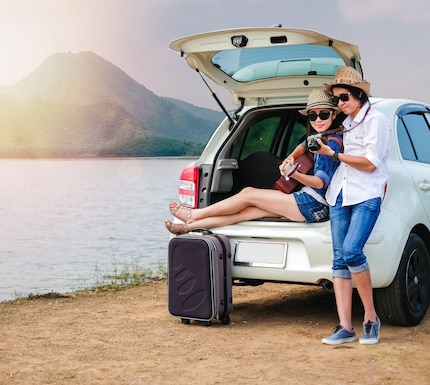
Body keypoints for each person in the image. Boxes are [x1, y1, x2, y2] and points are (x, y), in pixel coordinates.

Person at [164, 89, 343, 234]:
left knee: (248, 194)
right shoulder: (322, 136)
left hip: (312, 203)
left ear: (334, 115)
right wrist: (291, 157)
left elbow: (320, 183)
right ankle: (188, 227)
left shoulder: (331, 145)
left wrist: (294, 173)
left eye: (324, 114)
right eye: (312, 116)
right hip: (310, 203)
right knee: (244, 213)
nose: (318, 120)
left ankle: (194, 214)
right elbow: (303, 146)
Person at [317, 67, 391, 345]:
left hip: (366, 195)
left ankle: (371, 318)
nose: (340, 103)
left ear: (359, 94)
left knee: (351, 251)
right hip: (340, 196)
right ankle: (345, 327)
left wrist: (334, 154)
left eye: (344, 97)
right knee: (338, 260)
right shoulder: (346, 125)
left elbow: (371, 164)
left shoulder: (377, 121)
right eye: (336, 99)